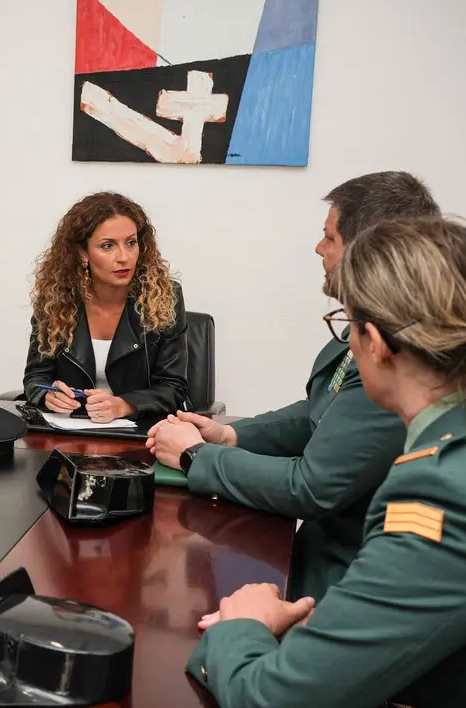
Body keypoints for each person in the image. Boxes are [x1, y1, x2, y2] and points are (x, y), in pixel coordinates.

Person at [186, 216, 466, 707]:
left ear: (376, 343)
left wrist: (242, 625)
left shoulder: (446, 497)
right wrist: (330, 627)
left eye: (347, 325)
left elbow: (271, 701)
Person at [147, 171, 440, 603]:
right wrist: (230, 435)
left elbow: (311, 486)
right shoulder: (371, 328)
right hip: (320, 550)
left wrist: (195, 457)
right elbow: (318, 413)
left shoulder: (395, 356)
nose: (319, 249)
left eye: (330, 238)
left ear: (369, 251)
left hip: (349, 576)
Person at [23, 192, 189, 424]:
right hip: (69, 431)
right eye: (107, 246)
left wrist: (124, 405)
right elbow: (35, 376)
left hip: (143, 434)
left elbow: (174, 387)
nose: (124, 257)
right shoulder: (55, 299)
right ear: (83, 254)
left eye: (131, 243)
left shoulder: (164, 296)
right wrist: (48, 395)